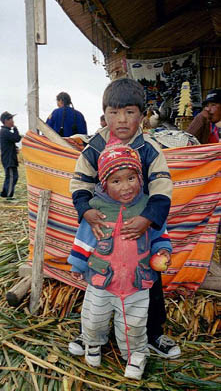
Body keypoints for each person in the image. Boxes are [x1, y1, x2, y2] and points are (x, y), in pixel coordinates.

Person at [69, 78, 181, 360]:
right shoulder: (94, 147)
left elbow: (162, 187)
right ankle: (92, 335)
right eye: (114, 112)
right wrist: (86, 210)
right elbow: (79, 182)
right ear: (103, 114)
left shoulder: (149, 150)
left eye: (130, 112)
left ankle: (153, 333)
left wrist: (148, 219)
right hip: (105, 228)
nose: (121, 120)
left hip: (140, 227)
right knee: (97, 279)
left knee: (149, 280)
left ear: (142, 117)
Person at [68, 144, 173, 380]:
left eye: (131, 178)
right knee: (94, 316)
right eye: (116, 181)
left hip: (137, 281)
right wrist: (77, 264)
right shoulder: (95, 209)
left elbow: (159, 235)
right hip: (101, 279)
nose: (126, 186)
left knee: (134, 323)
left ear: (140, 177)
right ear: (104, 183)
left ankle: (135, 354)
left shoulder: (147, 207)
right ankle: (92, 343)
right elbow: (84, 240)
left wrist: (163, 252)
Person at [0, 111, 21, 200]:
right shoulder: (5, 131)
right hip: (9, 159)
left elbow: (9, 143)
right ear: (6, 121)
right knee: (13, 176)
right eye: (11, 119)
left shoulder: (5, 131)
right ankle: (9, 195)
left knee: (10, 176)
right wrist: (15, 129)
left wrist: (14, 148)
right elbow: (16, 138)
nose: (13, 121)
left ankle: (4, 193)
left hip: (8, 158)